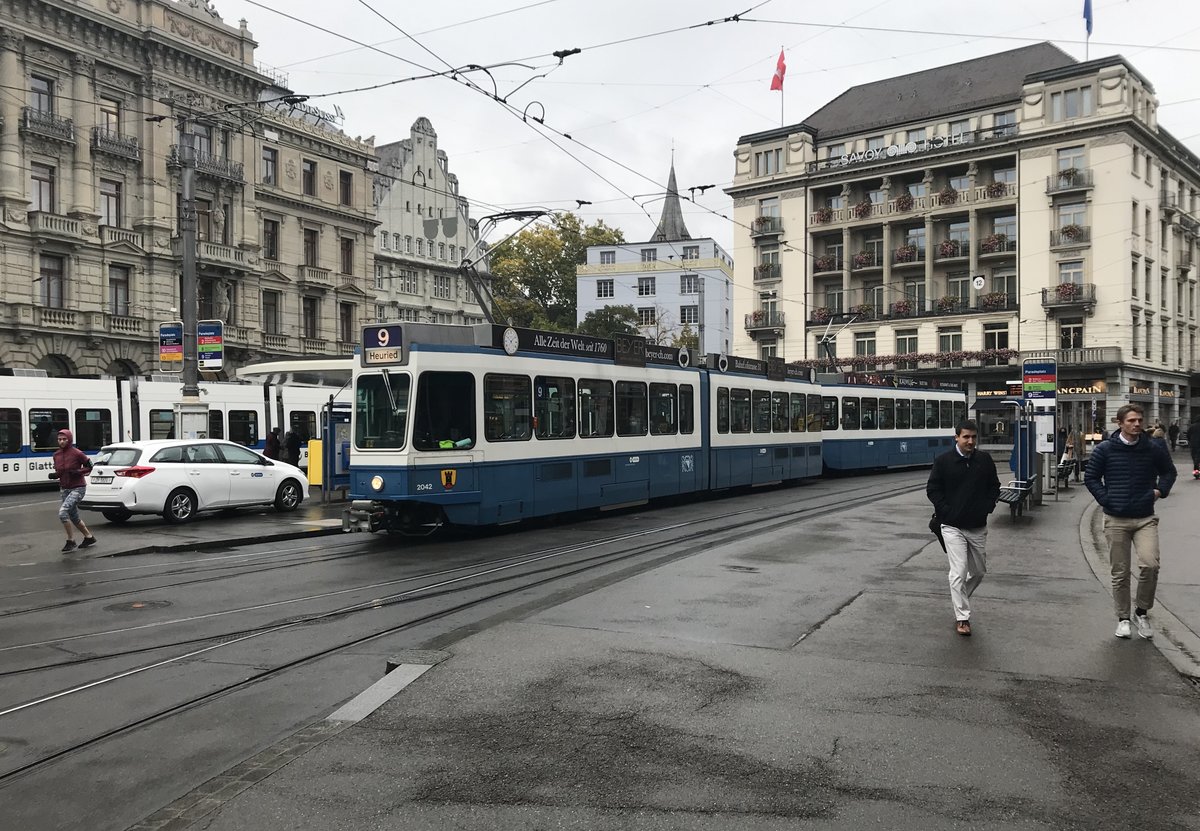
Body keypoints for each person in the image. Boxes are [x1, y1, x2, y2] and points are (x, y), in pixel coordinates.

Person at [1085, 403, 1177, 640]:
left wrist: (1158, 492)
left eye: (1139, 420)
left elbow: (1169, 472)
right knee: (1120, 572)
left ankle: (1141, 612)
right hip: (1116, 519)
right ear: (1120, 423)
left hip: (1145, 517)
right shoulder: (1105, 449)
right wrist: (1107, 498)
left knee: (1150, 565)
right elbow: (1091, 477)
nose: (1136, 424)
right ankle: (1123, 618)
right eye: (1131, 421)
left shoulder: (1153, 447)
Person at [926, 419, 1001, 637]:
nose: (970, 441)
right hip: (951, 526)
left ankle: (959, 597)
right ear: (956, 438)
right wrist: (946, 511)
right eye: (966, 437)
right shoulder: (943, 461)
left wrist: (987, 507)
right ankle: (962, 617)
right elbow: (933, 489)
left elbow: (994, 487)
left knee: (978, 572)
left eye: (974, 437)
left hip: (977, 526)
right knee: (958, 572)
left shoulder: (984, 460)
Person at [50, 429, 97, 553]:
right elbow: (60, 471)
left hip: (78, 487)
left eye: (64, 439)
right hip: (64, 488)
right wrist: (55, 475)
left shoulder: (77, 453)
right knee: (73, 516)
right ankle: (89, 537)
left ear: (69, 439)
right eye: (59, 439)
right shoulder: (56, 455)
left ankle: (71, 541)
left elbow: (90, 466)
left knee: (63, 513)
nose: (62, 441)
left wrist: (78, 472)